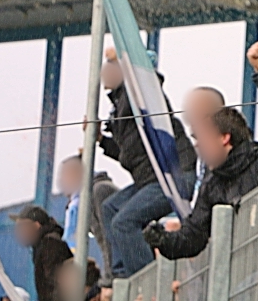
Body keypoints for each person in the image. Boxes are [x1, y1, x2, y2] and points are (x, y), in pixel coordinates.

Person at [94, 48, 197, 278]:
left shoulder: (141, 94)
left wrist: (124, 53)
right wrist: (101, 140)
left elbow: (144, 70)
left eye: (110, 65)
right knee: (110, 208)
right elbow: (128, 154)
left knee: (124, 222)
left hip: (171, 176)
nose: (103, 71)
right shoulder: (121, 106)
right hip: (150, 179)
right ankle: (120, 276)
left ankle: (145, 280)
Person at [142, 107, 258, 259]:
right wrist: (163, 240)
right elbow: (193, 236)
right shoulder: (211, 185)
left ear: (224, 138)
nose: (198, 145)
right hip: (239, 271)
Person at [57, 155, 118, 285]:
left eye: (65, 175)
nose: (61, 181)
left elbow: (111, 241)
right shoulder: (81, 203)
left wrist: (109, 279)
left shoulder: (99, 192)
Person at [10, 205, 73, 301]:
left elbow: (56, 284)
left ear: (36, 225)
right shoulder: (44, 245)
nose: (18, 232)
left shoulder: (50, 245)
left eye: (21, 227)